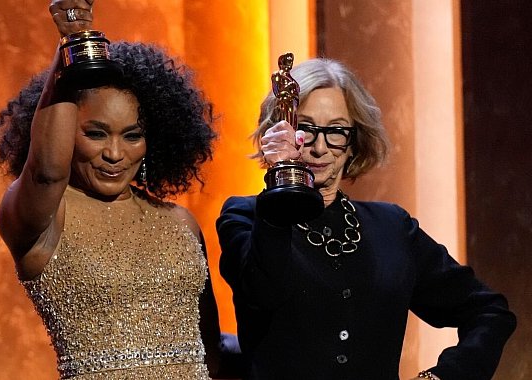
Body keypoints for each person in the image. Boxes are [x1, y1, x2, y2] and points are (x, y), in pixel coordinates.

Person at [217, 58, 516, 379]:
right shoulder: (247, 217)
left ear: (354, 142)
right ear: (277, 134)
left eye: (335, 131)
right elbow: (264, 293)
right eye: (304, 129)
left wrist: (445, 376)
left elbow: (490, 311)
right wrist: (282, 182)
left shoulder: (392, 227)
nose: (319, 147)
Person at [0, 1, 229, 378]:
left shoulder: (181, 222)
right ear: (67, 133)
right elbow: (46, 174)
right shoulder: (45, 218)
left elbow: (210, 347)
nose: (115, 154)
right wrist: (72, 50)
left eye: (132, 136)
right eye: (96, 133)